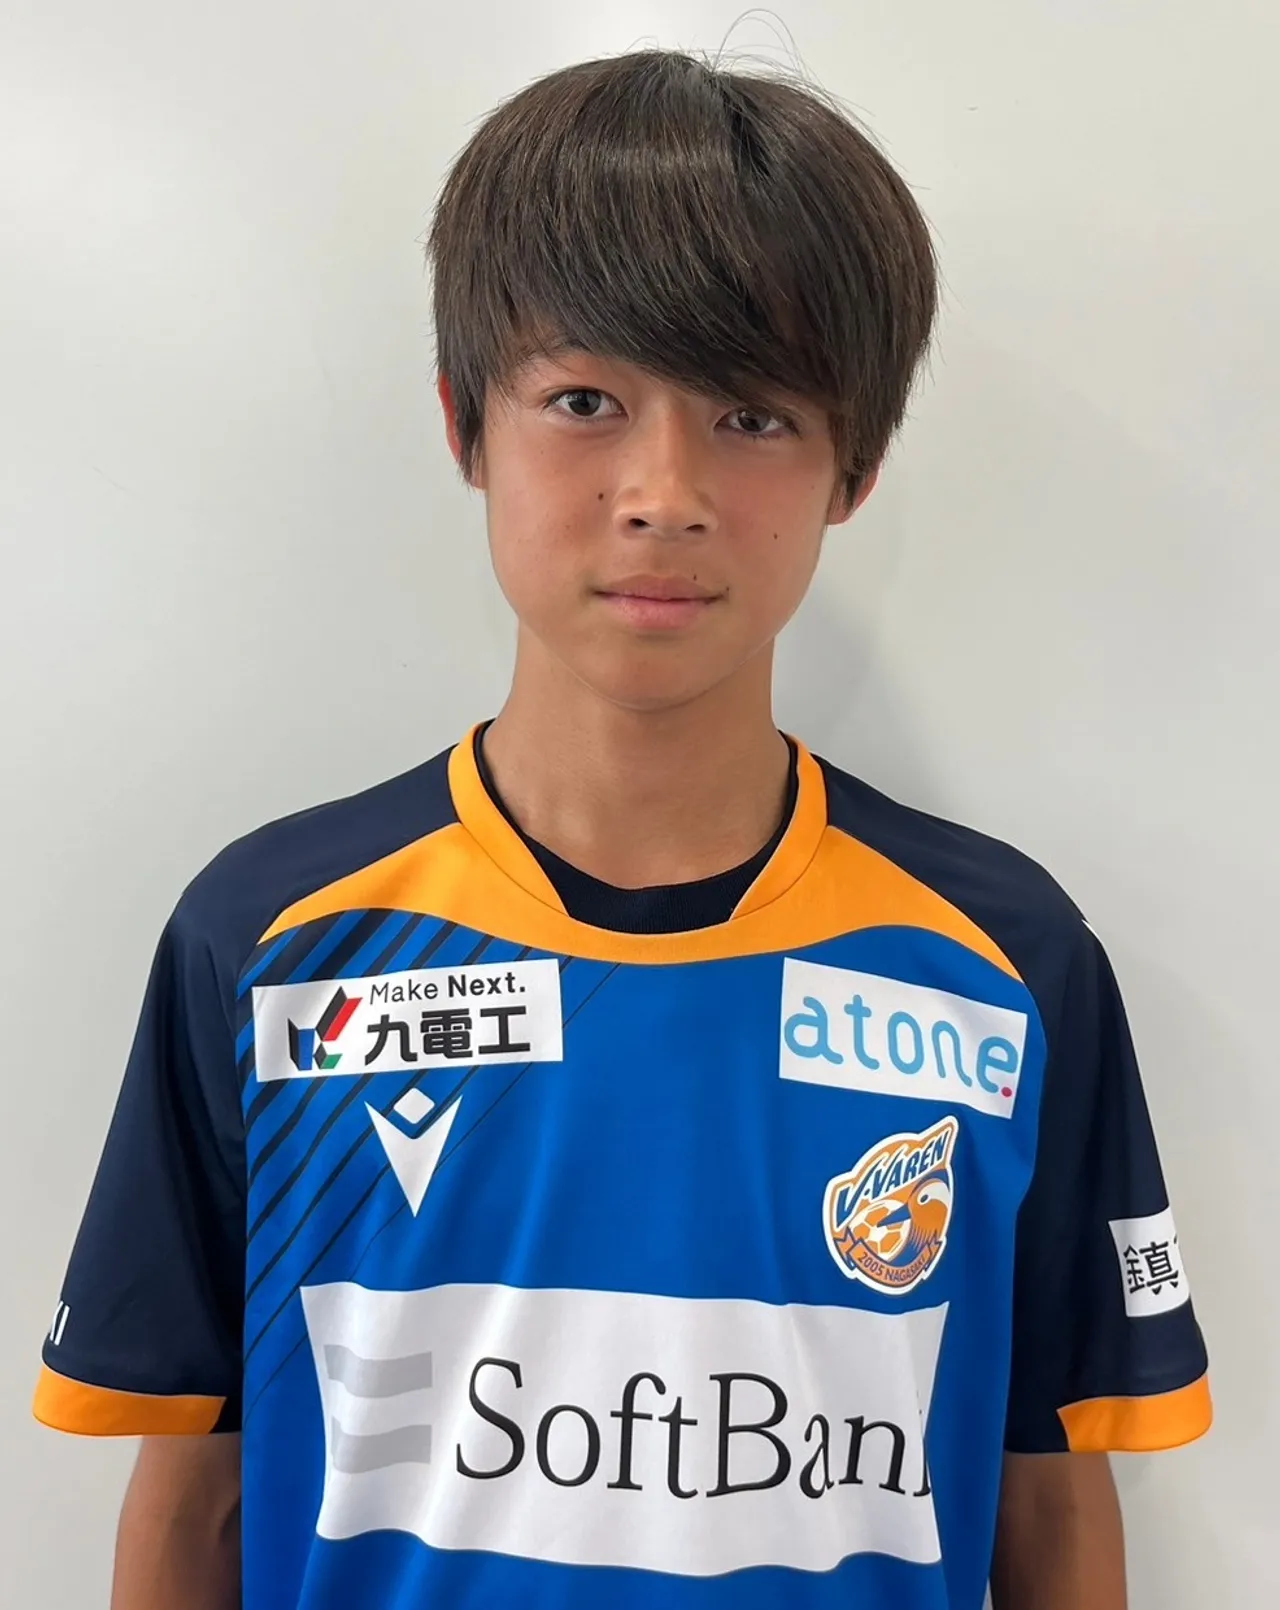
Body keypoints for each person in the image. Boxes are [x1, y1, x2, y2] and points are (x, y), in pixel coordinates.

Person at [33, 46, 1211, 1610]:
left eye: (753, 414)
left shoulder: (1004, 962)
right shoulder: (271, 944)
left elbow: (1051, 1503)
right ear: (466, 424)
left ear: (854, 465)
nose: (664, 491)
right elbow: (194, 1498)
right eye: (583, 401)